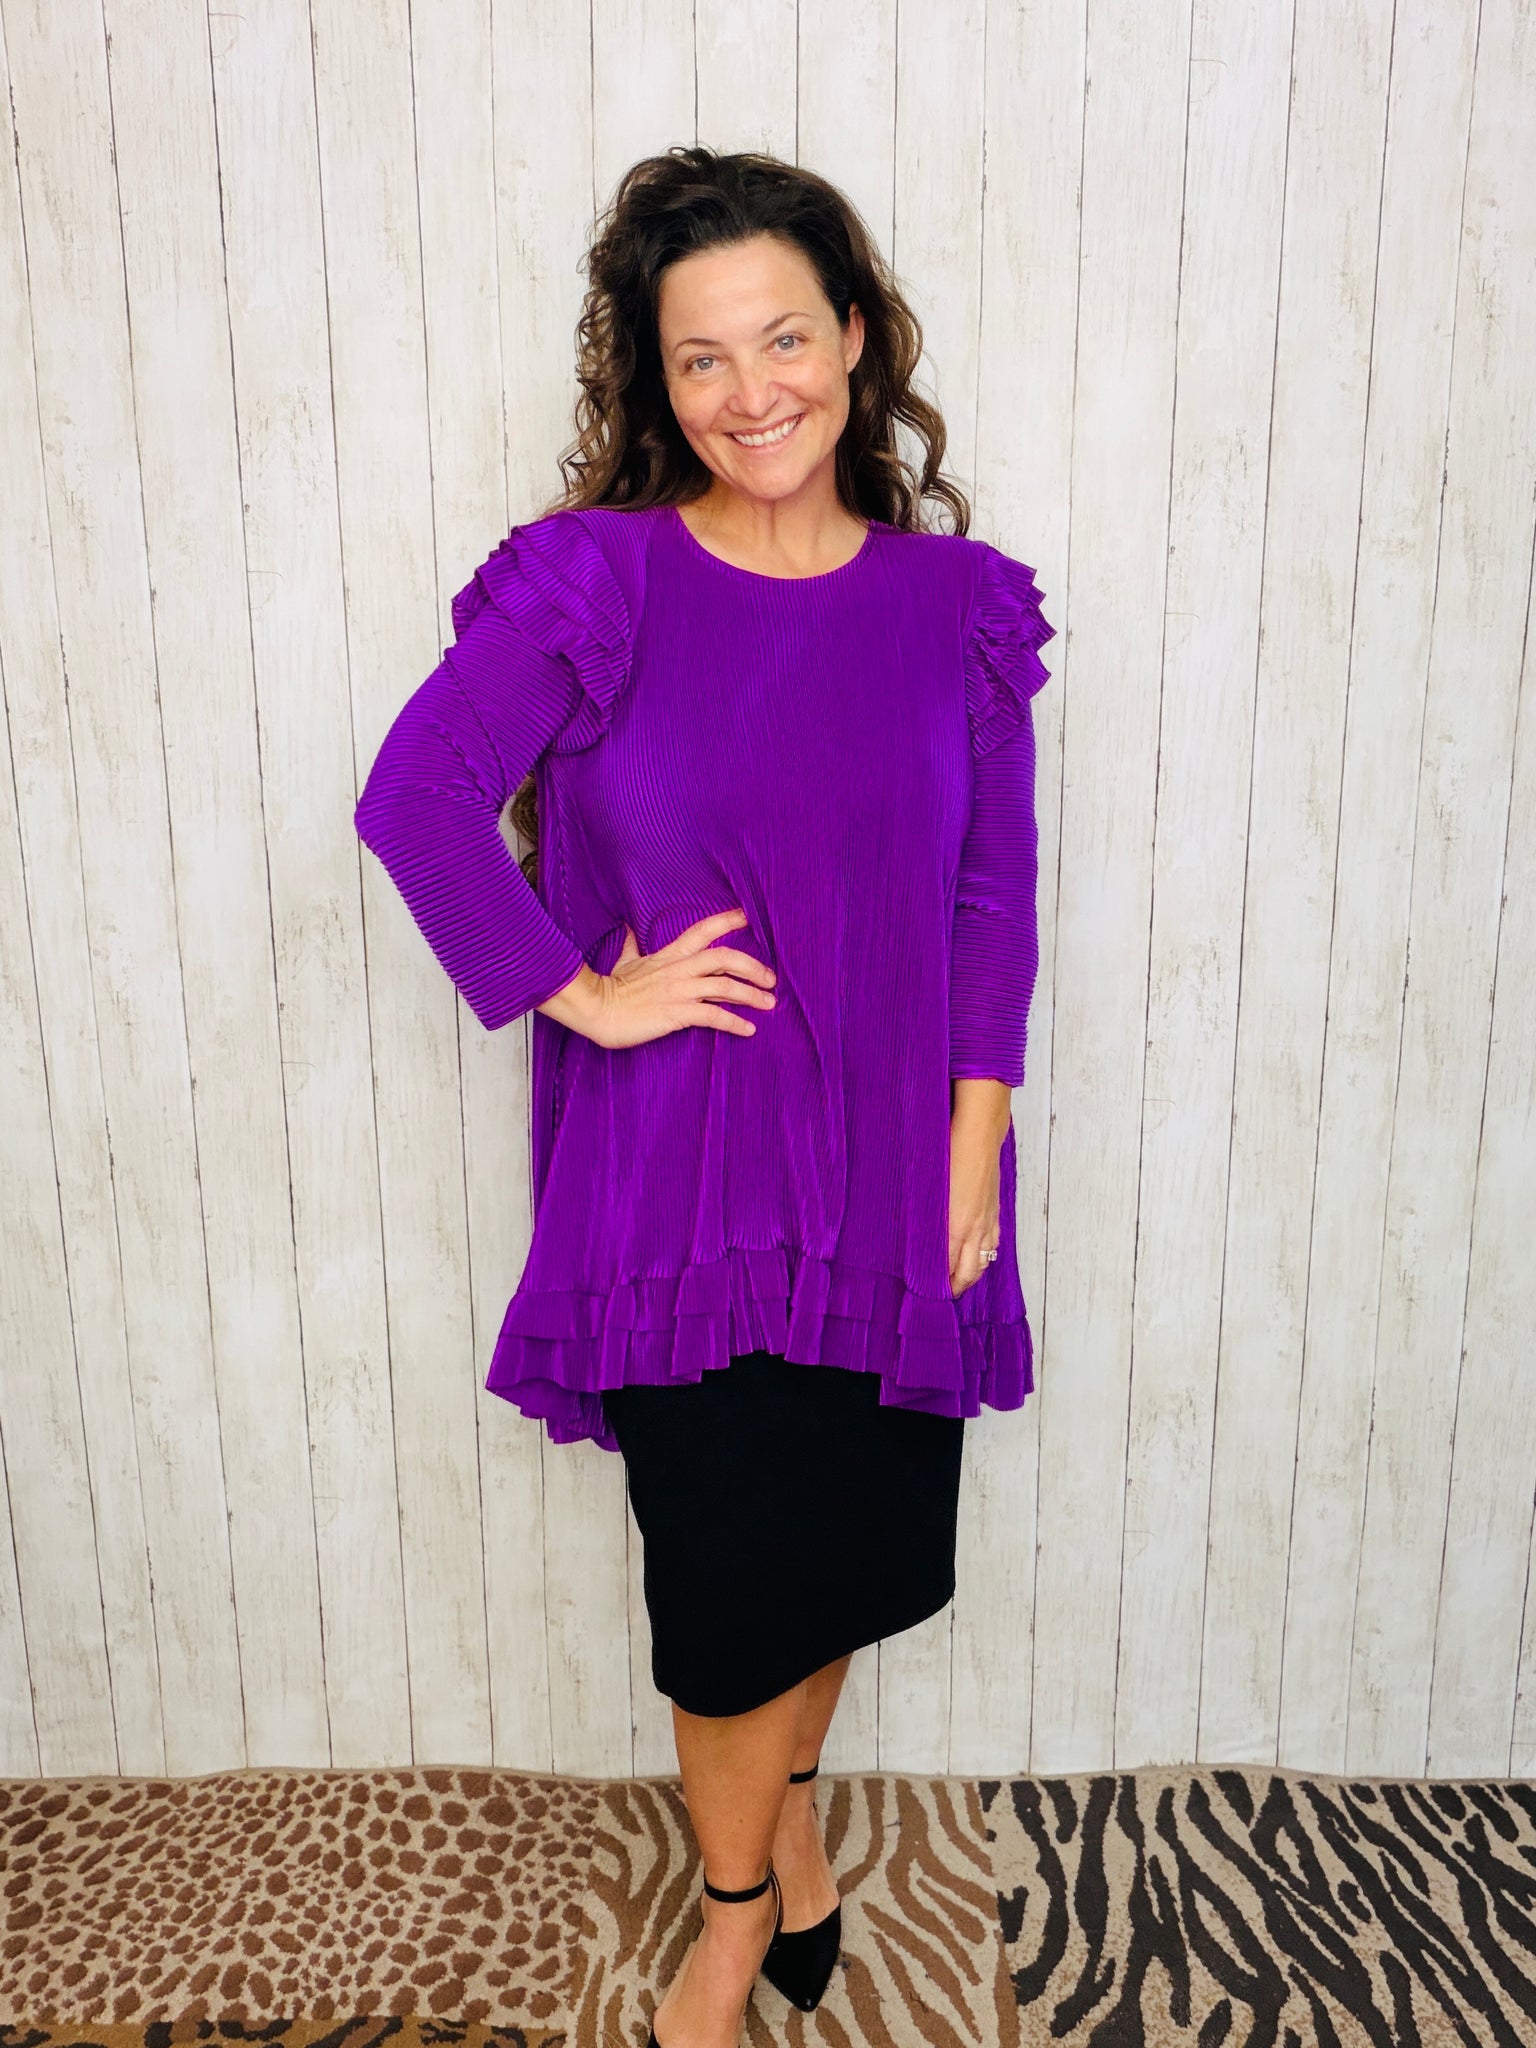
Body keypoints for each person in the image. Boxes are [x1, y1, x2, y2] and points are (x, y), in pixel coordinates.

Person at [354, 145, 1056, 2048]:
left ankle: (789, 1825)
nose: (754, 393)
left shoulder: (957, 609)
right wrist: (583, 993)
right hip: (681, 1180)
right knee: (732, 1596)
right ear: (656, 383)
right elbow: (416, 800)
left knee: (851, 1561)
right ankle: (736, 1913)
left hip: (898, 1169)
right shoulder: (598, 584)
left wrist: (974, 1145)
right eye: (701, 357)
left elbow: (990, 897)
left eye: (786, 338)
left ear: (858, 338)